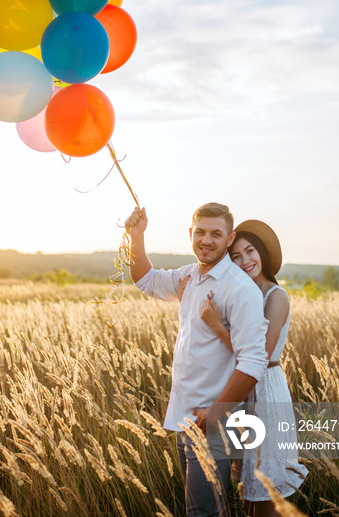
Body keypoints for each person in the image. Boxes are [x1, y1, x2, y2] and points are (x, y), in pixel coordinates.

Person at [125, 203, 268, 517]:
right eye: (201, 232)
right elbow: (145, 280)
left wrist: (215, 414)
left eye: (216, 234)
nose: (207, 240)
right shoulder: (188, 275)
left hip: (214, 421)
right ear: (191, 234)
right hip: (183, 416)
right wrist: (137, 237)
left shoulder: (240, 288)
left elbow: (253, 362)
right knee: (200, 510)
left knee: (203, 513)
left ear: (229, 239)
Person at [189, 219, 308, 517]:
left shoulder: (275, 296)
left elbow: (259, 354)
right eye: (236, 256)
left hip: (266, 393)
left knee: (266, 492)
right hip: (243, 397)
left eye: (250, 251)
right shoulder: (243, 295)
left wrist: (217, 327)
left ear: (263, 254)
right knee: (247, 493)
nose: (244, 261)